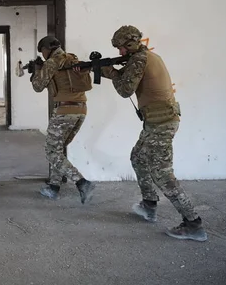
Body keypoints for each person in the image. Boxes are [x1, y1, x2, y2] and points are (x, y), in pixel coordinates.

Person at [102, 25, 207, 242]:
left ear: (130, 44)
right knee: (138, 158)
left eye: (121, 48)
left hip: (162, 122)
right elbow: (128, 79)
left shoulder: (139, 60)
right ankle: (149, 205)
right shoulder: (146, 56)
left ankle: (193, 224)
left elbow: (125, 90)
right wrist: (106, 69)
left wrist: (108, 71)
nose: (120, 52)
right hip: (156, 121)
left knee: (161, 173)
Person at [31, 36, 96, 203]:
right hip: (80, 109)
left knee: (52, 151)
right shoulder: (71, 58)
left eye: (42, 51)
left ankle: (82, 183)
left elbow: (38, 86)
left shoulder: (53, 62)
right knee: (58, 149)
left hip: (64, 111)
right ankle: (53, 187)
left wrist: (37, 70)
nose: (43, 55)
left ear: (46, 49)